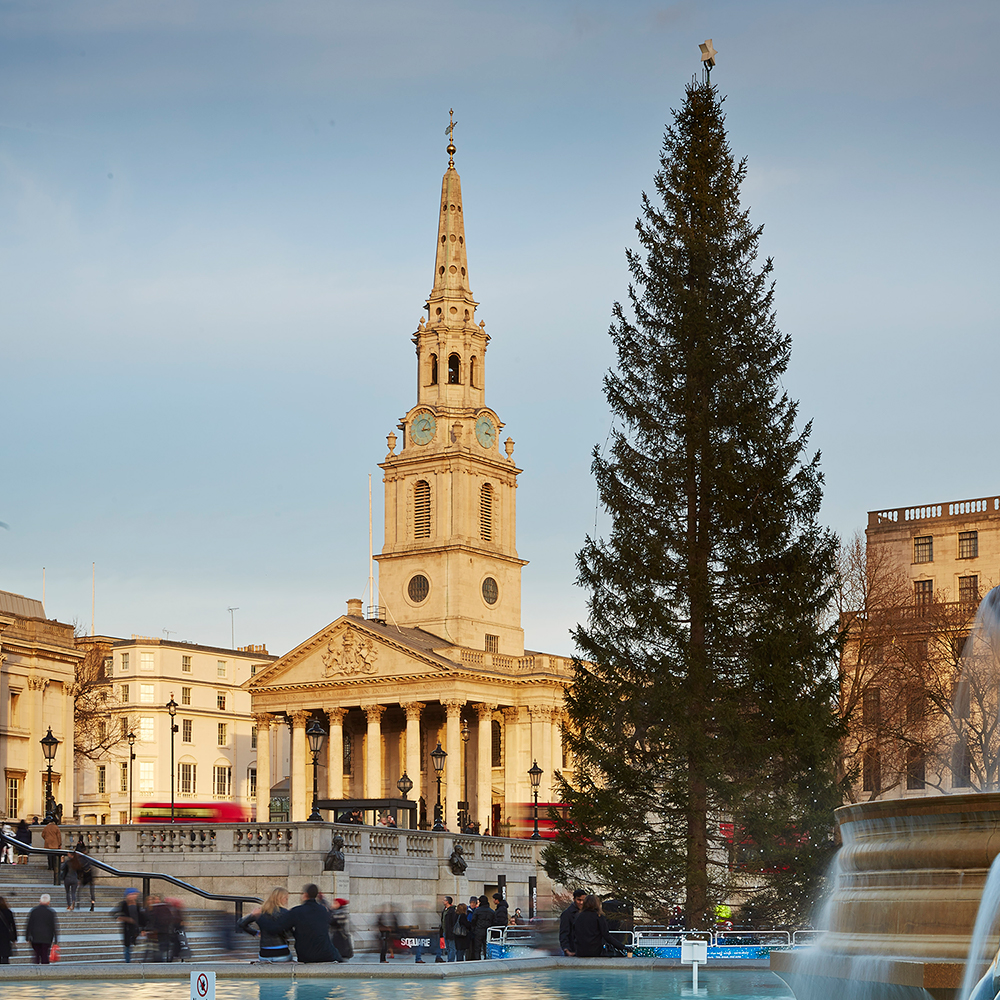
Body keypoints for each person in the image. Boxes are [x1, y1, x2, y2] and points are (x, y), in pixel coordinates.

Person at [276, 884, 343, 963]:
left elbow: (279, 926)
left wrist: (259, 918)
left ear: (305, 894)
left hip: (306, 955)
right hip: (326, 954)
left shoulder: (297, 911)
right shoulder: (323, 910)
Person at [238, 886, 292, 963]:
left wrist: (255, 932)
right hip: (282, 952)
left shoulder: (260, 912)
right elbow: (288, 934)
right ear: (280, 898)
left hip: (265, 953)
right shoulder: (285, 913)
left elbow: (241, 923)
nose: (286, 901)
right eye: (286, 898)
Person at [112, 888, 146, 963]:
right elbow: (113, 914)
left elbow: (141, 918)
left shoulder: (137, 905)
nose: (135, 896)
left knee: (135, 945)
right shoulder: (124, 904)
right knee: (127, 946)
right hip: (127, 929)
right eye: (133, 895)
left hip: (136, 929)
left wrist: (143, 928)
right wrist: (123, 918)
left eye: (136, 895)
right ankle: (128, 961)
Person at [25, 893, 58, 964]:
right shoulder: (50, 912)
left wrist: (27, 936)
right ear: (48, 902)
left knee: (36, 955)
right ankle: (45, 971)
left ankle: (35, 970)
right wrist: (56, 939)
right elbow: (53, 926)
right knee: (45, 955)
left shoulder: (34, 911)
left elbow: (29, 924)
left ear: (40, 901)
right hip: (47, 938)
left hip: (35, 937)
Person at [559, 888, 586, 955]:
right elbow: (564, 933)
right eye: (579, 900)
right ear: (574, 899)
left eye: (583, 900)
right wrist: (566, 949)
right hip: (573, 949)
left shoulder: (588, 912)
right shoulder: (567, 914)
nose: (581, 902)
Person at [470, 894, 493, 960]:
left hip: (478, 930)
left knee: (477, 948)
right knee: (486, 946)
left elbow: (473, 921)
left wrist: (474, 929)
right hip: (488, 931)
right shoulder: (491, 911)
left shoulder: (477, 910)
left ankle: (478, 960)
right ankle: (487, 958)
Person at [77, 846, 97, 911]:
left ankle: (78, 903)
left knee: (79, 890)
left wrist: (79, 878)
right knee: (91, 891)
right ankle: (92, 904)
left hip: (85, 876)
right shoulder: (88, 858)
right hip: (89, 875)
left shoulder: (80, 859)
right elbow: (93, 867)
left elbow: (79, 870)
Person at [0, 896, 17, 964]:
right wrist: (14, 938)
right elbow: (13, 925)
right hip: (5, 937)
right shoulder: (8, 912)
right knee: (5, 956)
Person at [441, 894, 457, 962]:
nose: (443, 901)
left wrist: (452, 930)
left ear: (447, 901)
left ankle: (451, 960)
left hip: (450, 932)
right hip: (445, 931)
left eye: (444, 900)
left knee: (451, 947)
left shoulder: (452, 911)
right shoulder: (444, 910)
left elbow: (453, 922)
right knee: (447, 947)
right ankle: (449, 959)